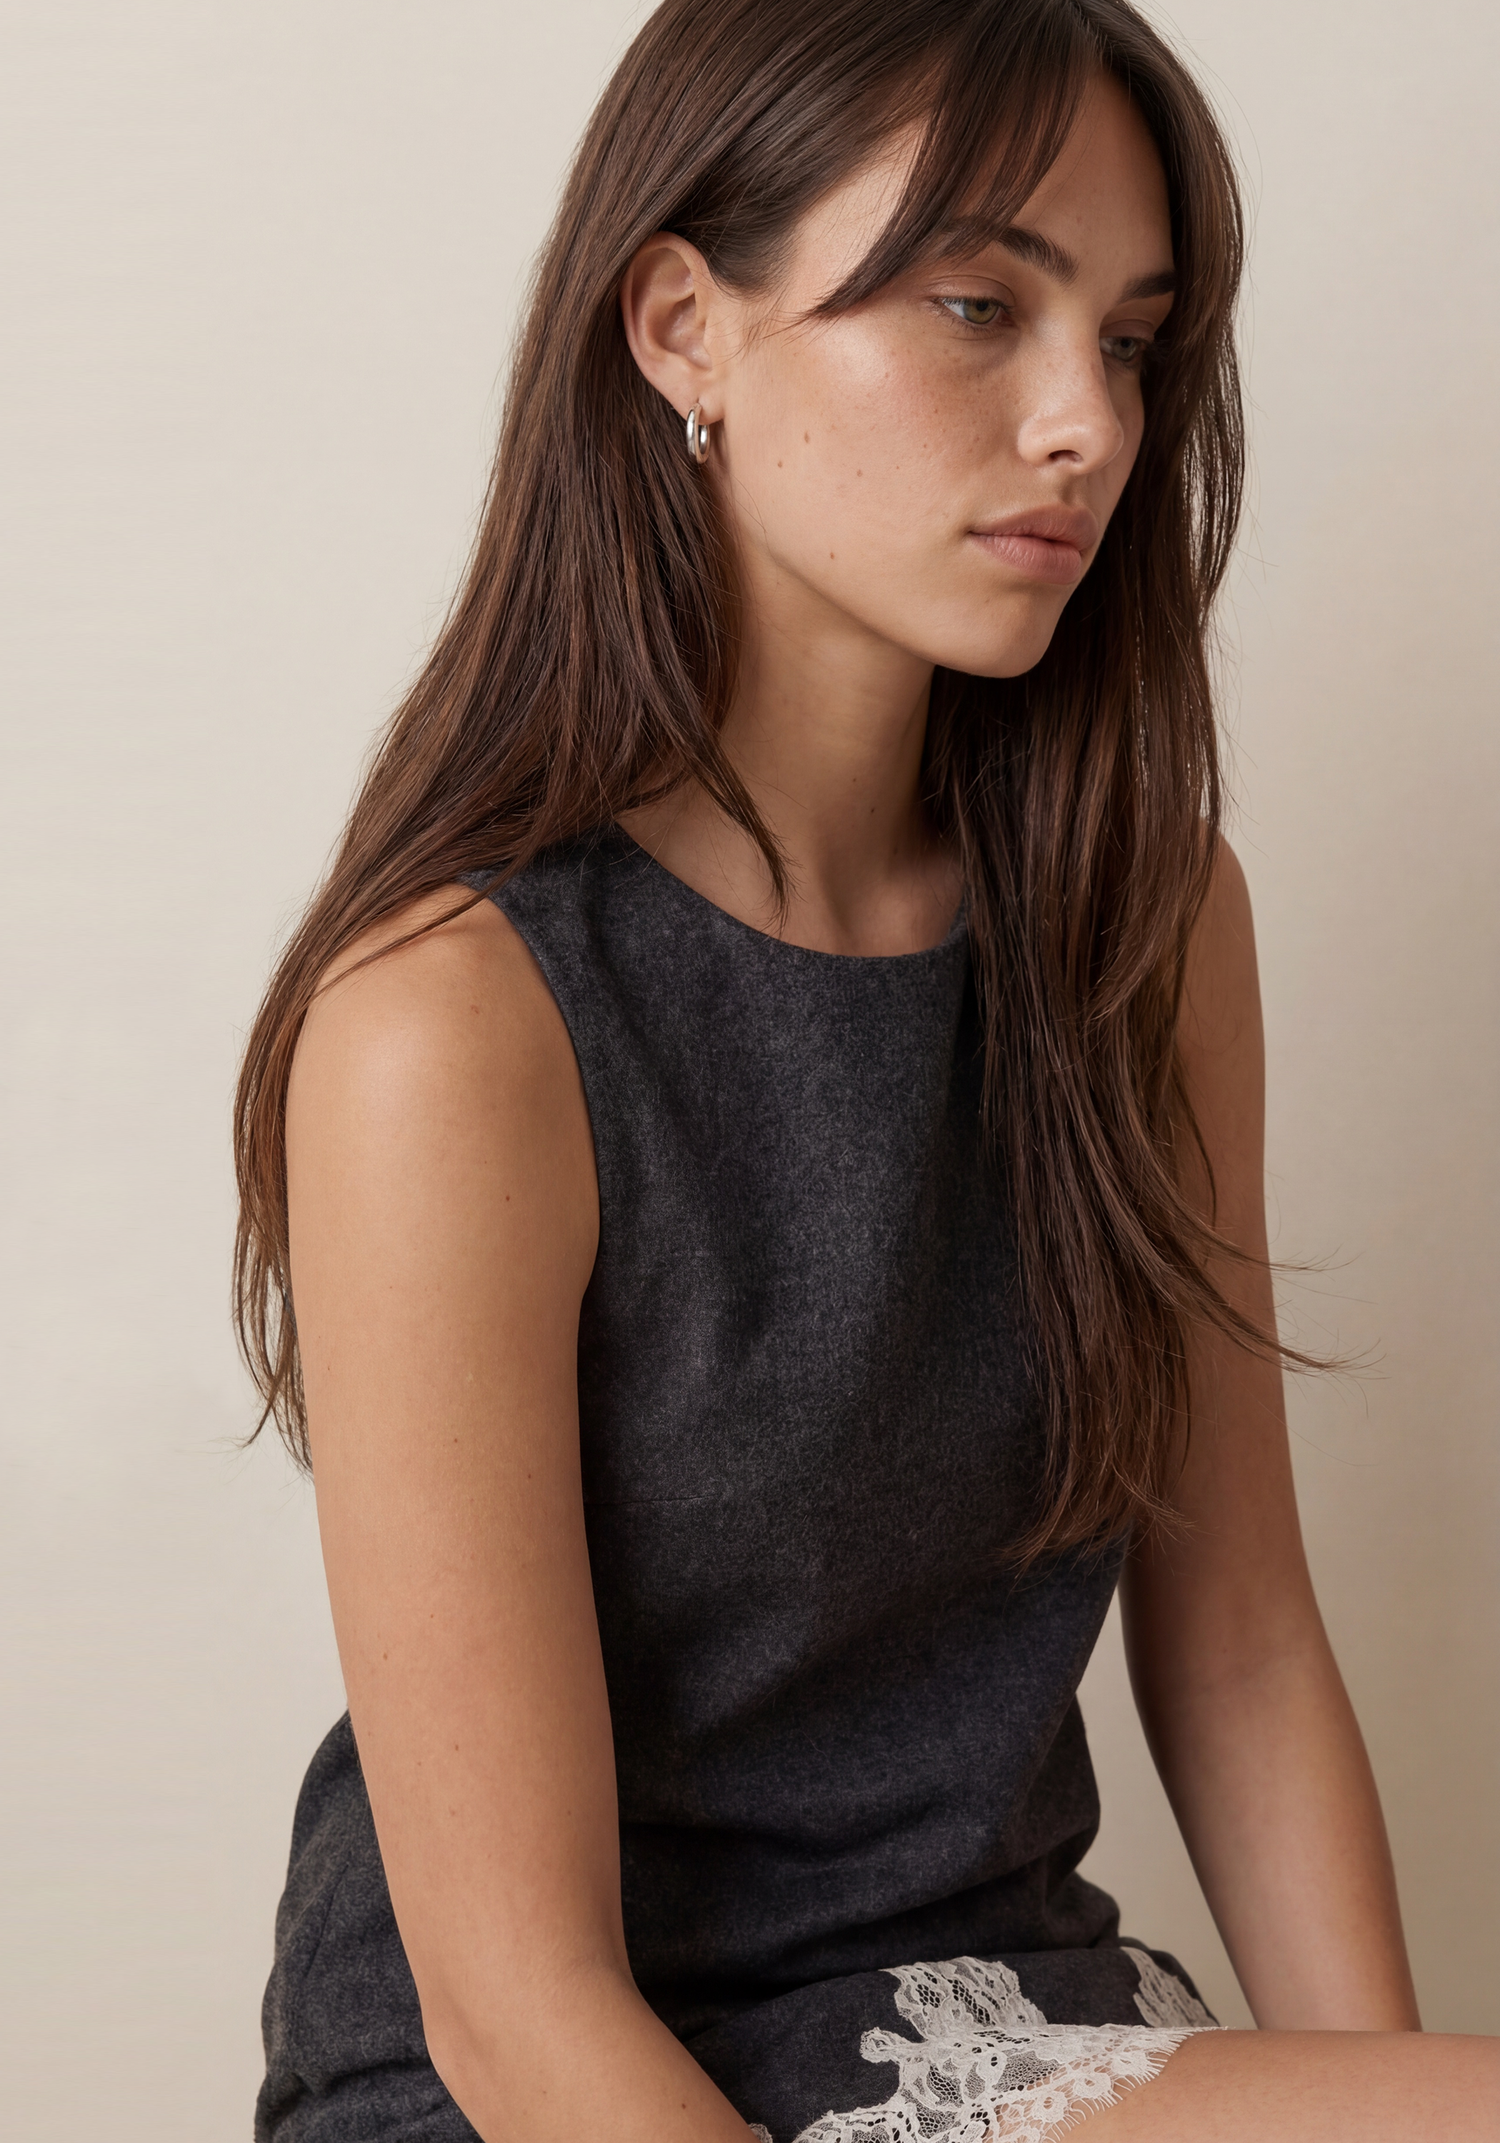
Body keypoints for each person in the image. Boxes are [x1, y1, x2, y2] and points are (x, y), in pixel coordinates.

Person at [235, 2, 1499, 2137]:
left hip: (1006, 2017)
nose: (1086, 423)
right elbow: (516, 2006)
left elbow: (1241, 1644)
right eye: (981, 305)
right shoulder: (451, 1023)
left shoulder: (1145, 922)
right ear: (683, 327)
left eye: (1131, 339)